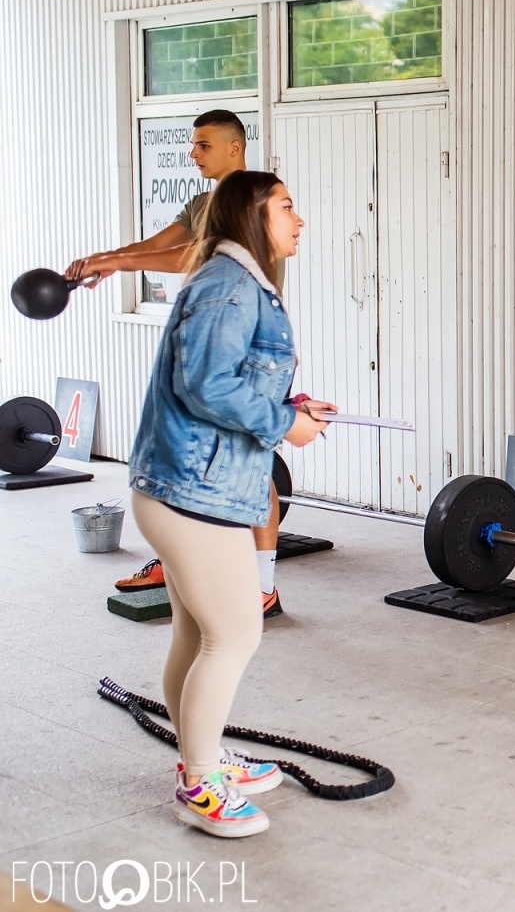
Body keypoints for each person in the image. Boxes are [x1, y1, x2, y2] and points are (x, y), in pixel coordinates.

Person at [127, 170, 332, 837]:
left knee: (199, 634)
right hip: (194, 492)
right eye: (287, 208)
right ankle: (198, 786)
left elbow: (226, 381)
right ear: (252, 215)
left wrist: (290, 407)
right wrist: (282, 424)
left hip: (188, 486)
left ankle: (203, 756)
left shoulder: (237, 284)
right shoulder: (230, 286)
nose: (299, 221)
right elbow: (207, 384)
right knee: (237, 633)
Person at [70, 109, 291, 619]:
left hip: (249, 349)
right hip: (203, 340)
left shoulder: (256, 199)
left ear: (235, 147)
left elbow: (196, 256)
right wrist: (102, 260)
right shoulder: (202, 203)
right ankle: (172, 560)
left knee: (252, 466)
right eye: (193, 144)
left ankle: (263, 585)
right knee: (181, 455)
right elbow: (156, 248)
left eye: (204, 145)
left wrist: (120, 263)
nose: (193, 153)